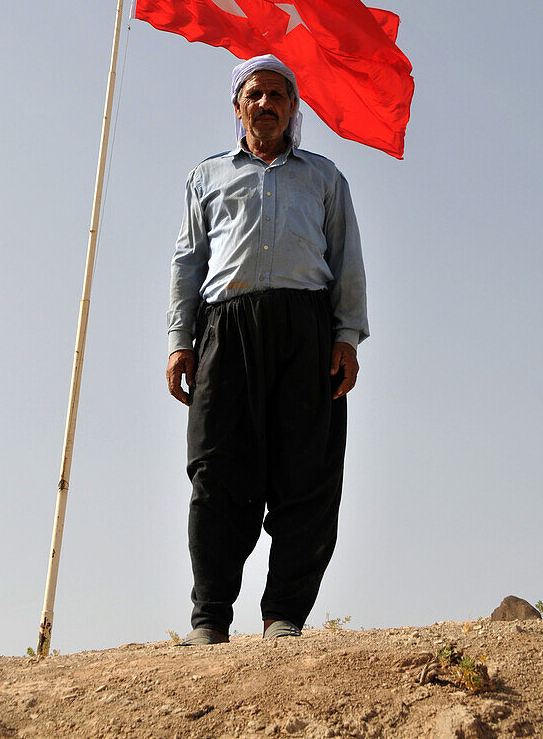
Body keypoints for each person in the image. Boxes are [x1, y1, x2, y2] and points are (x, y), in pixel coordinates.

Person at [166, 54, 368, 645]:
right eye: (255, 94)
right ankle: (209, 618)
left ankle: (284, 615)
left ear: (292, 108)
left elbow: (346, 260)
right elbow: (187, 264)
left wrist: (346, 335)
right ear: (239, 107)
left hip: (306, 328)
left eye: (278, 94)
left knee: (308, 470)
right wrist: (180, 341)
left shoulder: (324, 178)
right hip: (225, 328)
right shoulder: (206, 177)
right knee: (217, 469)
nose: (266, 103)